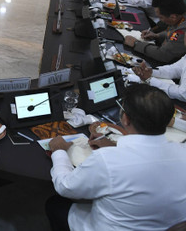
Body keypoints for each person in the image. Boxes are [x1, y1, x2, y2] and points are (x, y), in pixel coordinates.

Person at [46, 84, 186, 231]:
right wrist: (115, 147)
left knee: (54, 204)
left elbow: (65, 187)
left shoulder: (107, 160)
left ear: (125, 119)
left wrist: (59, 152)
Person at [123, 0, 186, 64]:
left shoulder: (182, 31)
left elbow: (163, 55)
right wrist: (157, 36)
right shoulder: (180, 17)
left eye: (161, 17)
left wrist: (136, 44)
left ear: (173, 17)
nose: (160, 20)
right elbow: (171, 34)